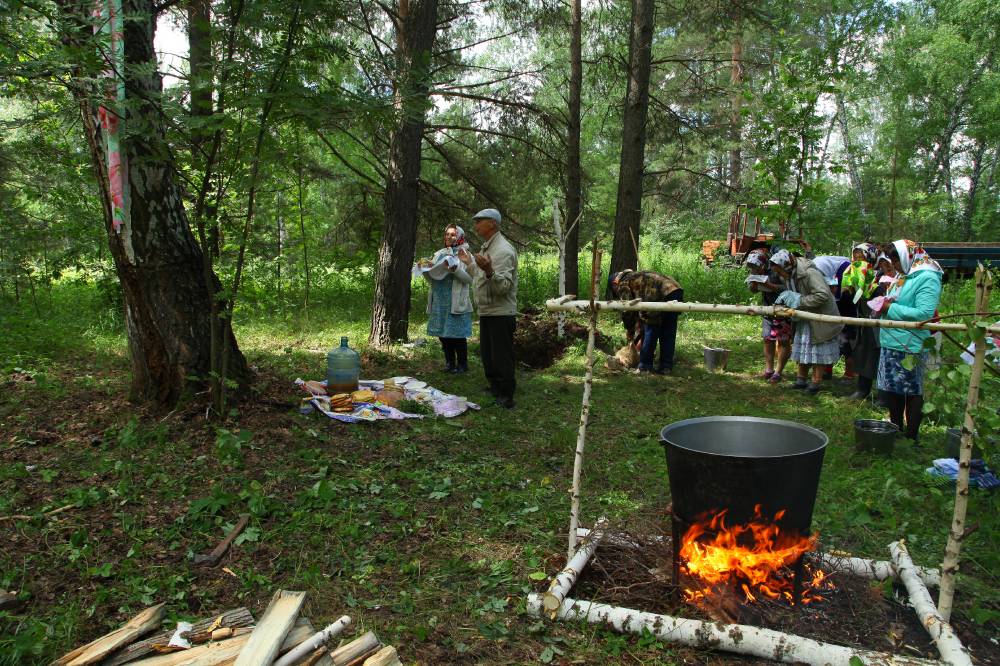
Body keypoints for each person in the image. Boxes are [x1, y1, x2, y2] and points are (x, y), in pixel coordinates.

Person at [874, 240, 943, 443]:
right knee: (893, 389)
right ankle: (896, 428)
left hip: (909, 344)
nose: (893, 264)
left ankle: (911, 436)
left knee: (911, 390)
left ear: (908, 256)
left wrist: (889, 309)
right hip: (892, 340)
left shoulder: (927, 277)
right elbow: (900, 300)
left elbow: (924, 313)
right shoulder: (906, 275)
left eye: (896, 259)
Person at [458, 208, 519, 409]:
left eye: (479, 221)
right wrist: (469, 264)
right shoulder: (488, 247)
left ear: (492, 223)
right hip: (488, 310)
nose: (475, 225)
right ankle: (495, 387)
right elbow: (480, 276)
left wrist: (490, 270)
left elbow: (503, 287)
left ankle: (506, 395)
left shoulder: (503, 250)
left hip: (501, 312)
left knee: (502, 356)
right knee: (488, 355)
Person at [769, 249, 844, 395]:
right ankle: (801, 379)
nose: (779, 275)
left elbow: (822, 295)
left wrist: (799, 301)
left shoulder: (809, 273)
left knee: (817, 350)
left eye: (779, 271)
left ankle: (816, 382)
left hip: (820, 317)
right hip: (805, 316)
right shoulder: (790, 274)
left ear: (786, 265)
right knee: (803, 348)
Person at [610, 269, 683, 374]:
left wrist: (629, 329)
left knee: (651, 328)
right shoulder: (637, 276)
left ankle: (645, 366)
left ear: (614, 284)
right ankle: (666, 366)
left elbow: (627, 310)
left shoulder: (623, 283)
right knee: (668, 330)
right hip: (675, 290)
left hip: (659, 295)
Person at [422, 224, 473, 373]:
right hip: (439, 300)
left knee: (457, 335)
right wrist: (424, 269)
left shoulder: (465, 255)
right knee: (443, 334)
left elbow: (470, 279)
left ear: (459, 237)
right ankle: (450, 363)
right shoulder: (439, 254)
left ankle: (462, 364)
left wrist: (455, 269)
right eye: (447, 234)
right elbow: (432, 278)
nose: (449, 237)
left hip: (456, 300)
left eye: (452, 235)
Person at [841, 242, 882, 400]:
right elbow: (851, 300)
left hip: (878, 324)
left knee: (876, 355)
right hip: (863, 321)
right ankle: (862, 389)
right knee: (863, 353)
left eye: (861, 256)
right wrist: (851, 288)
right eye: (855, 256)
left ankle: (882, 394)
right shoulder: (852, 273)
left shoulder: (877, 275)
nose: (857, 259)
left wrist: (870, 287)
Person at [744, 248, 792, 383]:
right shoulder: (754, 271)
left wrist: (769, 285)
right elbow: (752, 290)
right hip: (766, 309)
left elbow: (789, 287)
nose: (754, 269)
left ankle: (778, 371)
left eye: (756, 267)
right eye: (752, 267)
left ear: (764, 264)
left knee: (783, 340)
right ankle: (769, 369)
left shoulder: (776, 269)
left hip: (783, 309)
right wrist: (754, 285)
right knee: (767, 339)